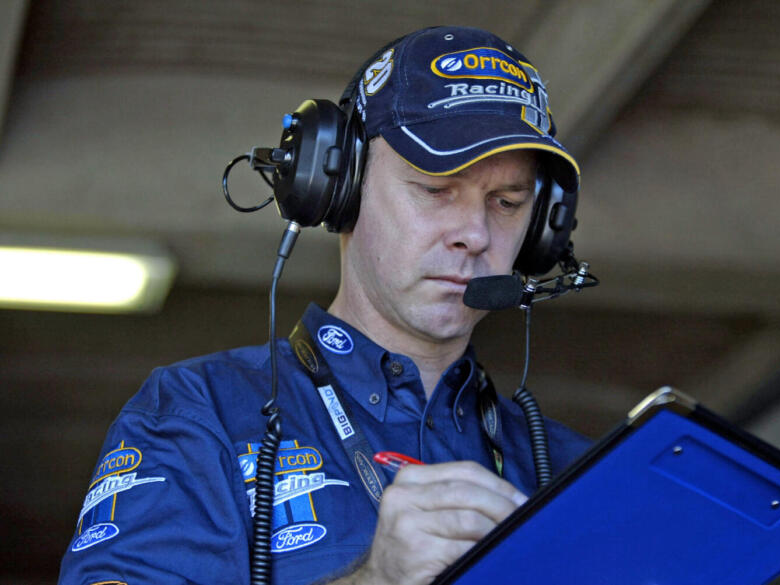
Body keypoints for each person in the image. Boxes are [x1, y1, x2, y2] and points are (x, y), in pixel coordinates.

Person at [59, 26, 592, 585]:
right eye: (436, 190)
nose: (474, 234)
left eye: (506, 202)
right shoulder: (199, 413)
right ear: (339, 186)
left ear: (542, 231)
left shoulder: (588, 472)